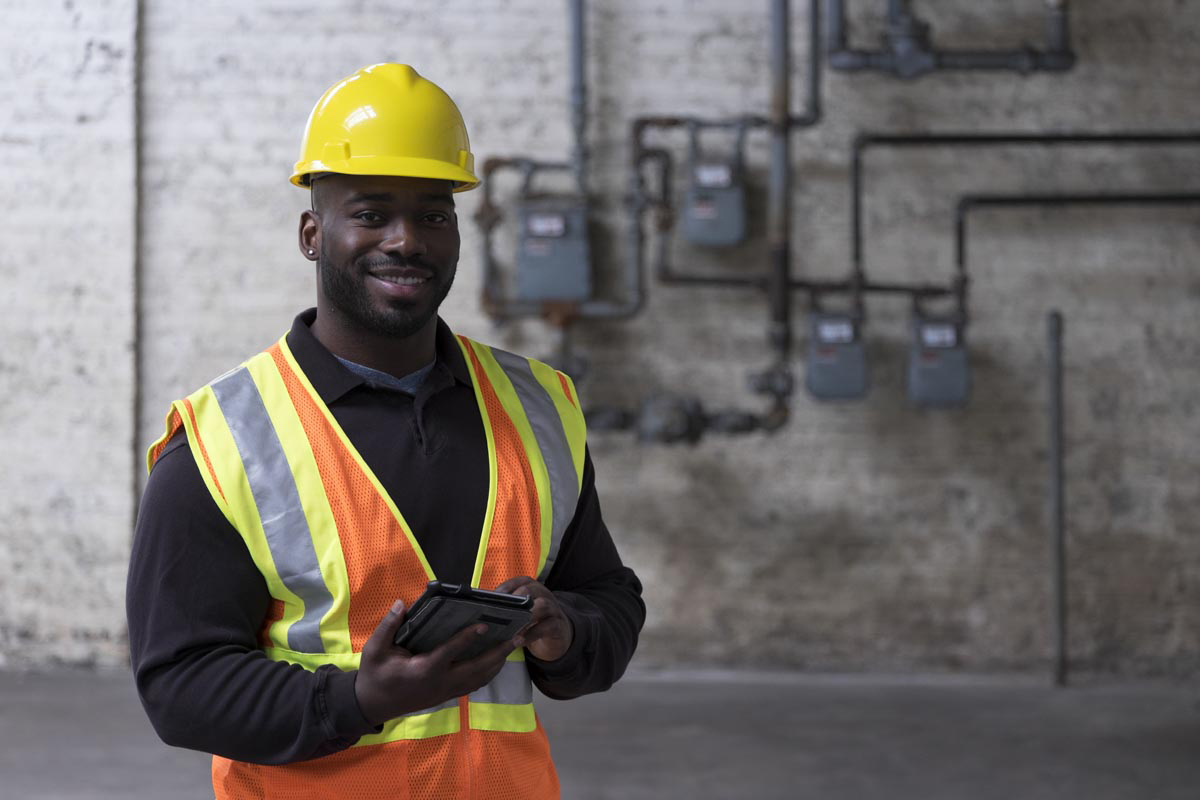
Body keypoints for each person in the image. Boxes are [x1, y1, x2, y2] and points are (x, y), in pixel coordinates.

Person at [127, 63, 645, 800]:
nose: (406, 240)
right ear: (313, 234)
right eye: (370, 214)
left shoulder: (538, 406)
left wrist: (565, 633)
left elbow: (609, 597)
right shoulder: (222, 440)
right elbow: (179, 685)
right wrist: (359, 701)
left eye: (433, 214)